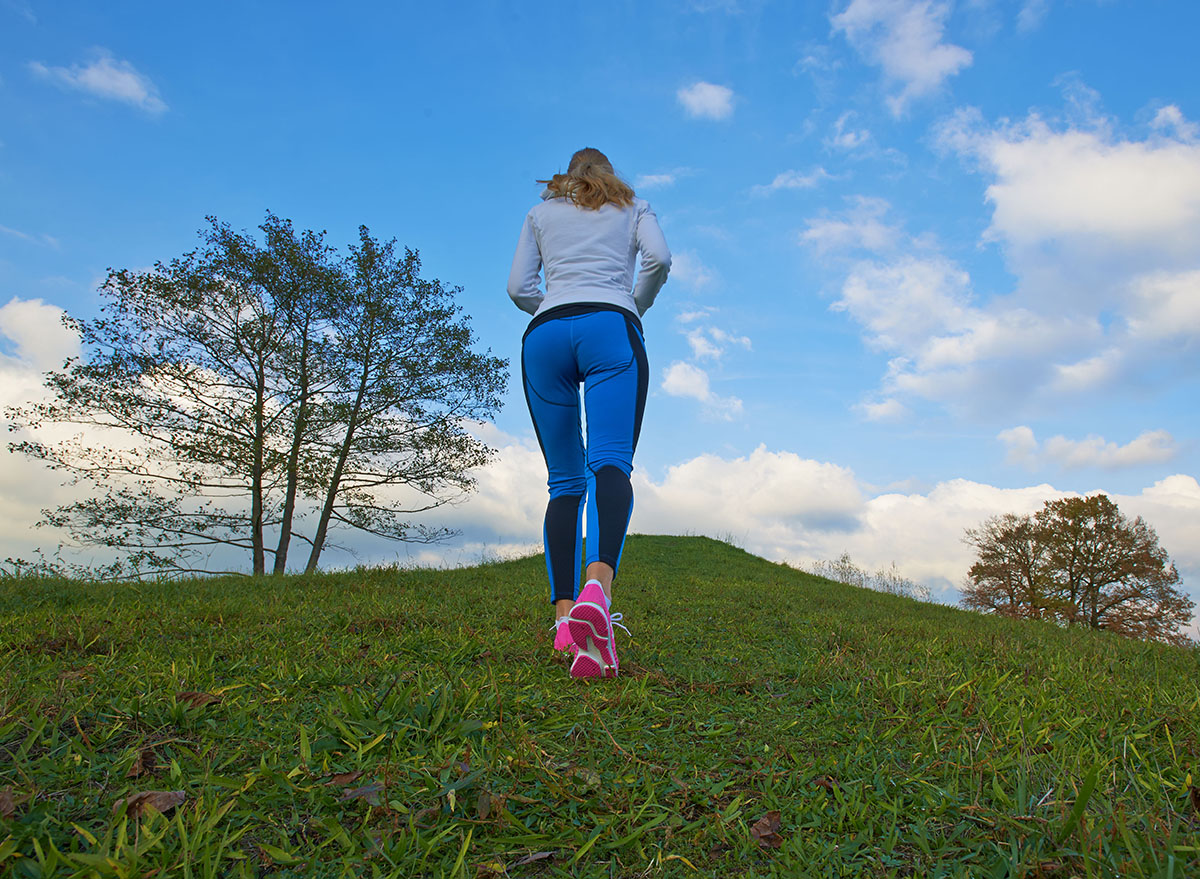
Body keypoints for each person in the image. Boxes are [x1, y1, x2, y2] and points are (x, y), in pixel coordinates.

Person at [507, 148, 671, 679]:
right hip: (611, 327)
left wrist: (556, 305)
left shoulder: (540, 213)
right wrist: (633, 304)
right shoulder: (636, 207)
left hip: (544, 336)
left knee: (563, 484)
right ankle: (595, 594)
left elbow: (517, 288)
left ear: (569, 174)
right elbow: (660, 261)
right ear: (609, 172)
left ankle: (564, 625)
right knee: (609, 462)